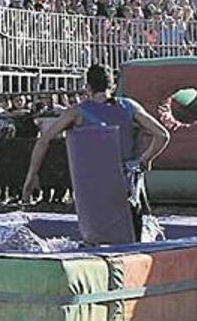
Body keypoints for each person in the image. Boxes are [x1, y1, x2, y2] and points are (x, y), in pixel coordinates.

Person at [21, 64, 170, 242]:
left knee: (95, 241)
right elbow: (162, 135)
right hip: (126, 187)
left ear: (88, 87)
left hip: (93, 187)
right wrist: (145, 160)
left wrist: (30, 179)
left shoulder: (78, 112)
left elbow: (44, 140)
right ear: (113, 86)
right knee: (131, 243)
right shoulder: (130, 107)